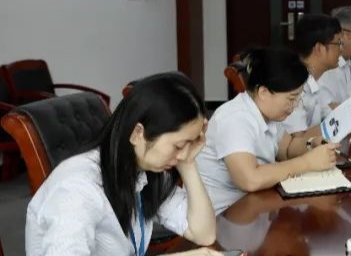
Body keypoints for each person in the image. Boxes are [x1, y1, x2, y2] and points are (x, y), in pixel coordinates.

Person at [25, 73, 219, 256]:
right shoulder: (77, 187)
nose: (183, 154)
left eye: (190, 144)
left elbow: (203, 233)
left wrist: (188, 163)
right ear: (138, 133)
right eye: (179, 146)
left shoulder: (143, 170)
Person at [197, 46, 349, 214]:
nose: (294, 105)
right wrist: (307, 163)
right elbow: (250, 179)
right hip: (223, 216)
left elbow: (287, 148)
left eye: (298, 98)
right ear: (263, 92)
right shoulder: (235, 119)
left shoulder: (266, 114)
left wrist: (311, 144)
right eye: (291, 98)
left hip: (253, 206)